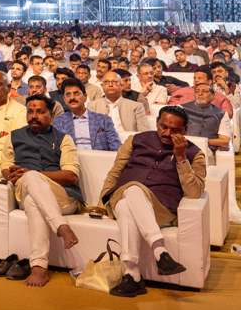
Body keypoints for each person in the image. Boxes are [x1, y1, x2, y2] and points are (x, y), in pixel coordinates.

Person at [97, 106, 206, 297]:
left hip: (161, 207)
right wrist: (101, 203)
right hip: (123, 192)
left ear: (185, 130)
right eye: (163, 127)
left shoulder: (194, 153)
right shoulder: (136, 140)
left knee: (127, 203)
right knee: (131, 189)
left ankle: (132, 275)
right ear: (157, 123)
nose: (167, 132)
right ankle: (160, 252)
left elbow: (195, 192)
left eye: (175, 130)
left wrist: (181, 157)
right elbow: (115, 172)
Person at [0, 95, 82, 287]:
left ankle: (39, 268)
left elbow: (70, 176)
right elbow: (5, 166)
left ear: (51, 115)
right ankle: (61, 227)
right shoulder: (14, 137)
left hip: (63, 197)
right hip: (25, 193)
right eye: (30, 111)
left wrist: (34, 173)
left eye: (40, 112)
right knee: (31, 184)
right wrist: (12, 173)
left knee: (33, 186)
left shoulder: (63, 139)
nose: (34, 116)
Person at [53, 79, 120, 151]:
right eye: (68, 94)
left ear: (85, 97)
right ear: (64, 100)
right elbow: (55, 149)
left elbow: (116, 147)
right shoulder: (58, 122)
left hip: (99, 160)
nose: (72, 97)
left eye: (76, 93)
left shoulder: (104, 120)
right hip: (72, 160)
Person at [89, 71, 148, 139]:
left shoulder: (136, 106)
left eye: (114, 82)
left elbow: (143, 133)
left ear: (121, 86)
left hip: (128, 142)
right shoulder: (92, 106)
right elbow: (91, 132)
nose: (110, 85)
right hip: (101, 142)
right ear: (102, 86)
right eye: (106, 82)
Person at [181, 81, 231, 150]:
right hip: (184, 147)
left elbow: (225, 142)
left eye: (204, 91)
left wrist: (202, 142)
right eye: (197, 91)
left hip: (207, 150)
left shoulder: (222, 114)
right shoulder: (181, 109)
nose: (200, 94)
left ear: (213, 96)